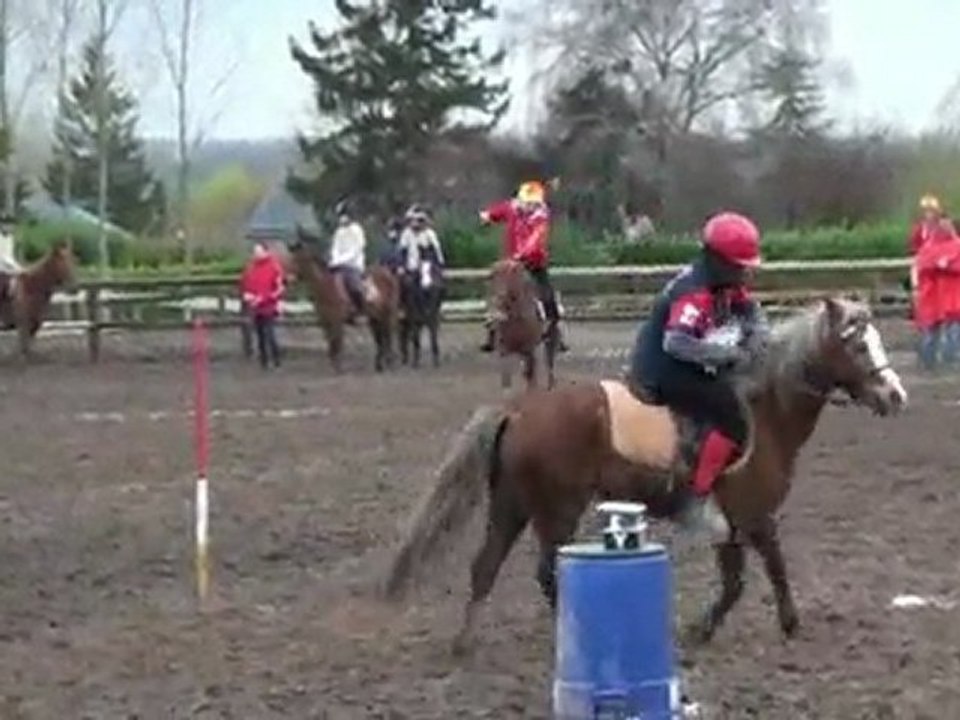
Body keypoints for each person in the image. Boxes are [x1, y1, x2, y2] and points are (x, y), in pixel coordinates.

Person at [627, 211, 768, 539]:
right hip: (662, 369)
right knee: (731, 416)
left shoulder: (723, 282)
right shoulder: (694, 290)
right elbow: (676, 342)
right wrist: (730, 354)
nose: (745, 271)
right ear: (718, 260)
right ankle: (695, 499)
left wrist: (756, 338)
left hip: (685, 362)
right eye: (739, 264)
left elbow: (753, 314)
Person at [479, 180, 568, 352]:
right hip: (510, 262)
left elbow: (535, 240)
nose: (527, 207)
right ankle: (492, 331)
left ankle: (553, 332)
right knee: (497, 289)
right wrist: (488, 215)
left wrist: (522, 255)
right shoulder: (513, 208)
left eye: (532, 204)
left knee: (547, 296)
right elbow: (499, 211)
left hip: (533, 263)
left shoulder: (541, 218)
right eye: (526, 203)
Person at [913, 218, 960, 370]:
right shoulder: (928, 248)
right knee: (931, 330)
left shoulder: (957, 245)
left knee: (953, 328)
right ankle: (928, 362)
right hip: (932, 296)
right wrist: (939, 265)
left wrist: (946, 266)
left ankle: (949, 361)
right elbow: (923, 266)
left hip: (952, 295)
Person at [239, 241, 285, 369]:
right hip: (255, 307)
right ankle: (264, 361)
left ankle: (276, 359)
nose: (256, 254)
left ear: (266, 251)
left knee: (270, 333)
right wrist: (247, 295)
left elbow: (279, 288)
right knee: (259, 334)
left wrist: (264, 298)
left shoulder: (274, 267)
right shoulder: (250, 268)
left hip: (269, 306)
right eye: (255, 252)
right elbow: (244, 283)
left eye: (259, 251)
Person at [329, 200, 367, 318]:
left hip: (353, 264)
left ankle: (358, 308)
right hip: (338, 264)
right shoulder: (339, 232)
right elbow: (335, 247)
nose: (342, 218)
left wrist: (341, 261)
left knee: (353, 285)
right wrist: (335, 260)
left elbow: (356, 249)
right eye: (340, 216)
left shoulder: (357, 230)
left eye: (344, 215)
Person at [398, 205, 445, 276]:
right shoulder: (406, 233)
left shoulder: (429, 233)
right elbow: (402, 250)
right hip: (410, 266)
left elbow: (436, 250)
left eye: (418, 220)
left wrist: (440, 264)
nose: (415, 223)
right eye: (412, 220)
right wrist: (401, 265)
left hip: (427, 266)